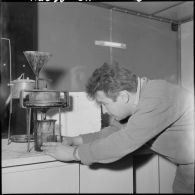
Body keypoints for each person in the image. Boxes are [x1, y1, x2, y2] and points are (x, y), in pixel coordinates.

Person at [41, 62, 194, 193]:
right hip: (187, 165)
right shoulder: (140, 99)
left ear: (123, 96)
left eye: (105, 104)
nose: (106, 111)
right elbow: (114, 131)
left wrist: (74, 154)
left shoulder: (156, 98)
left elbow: (123, 141)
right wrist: (74, 140)